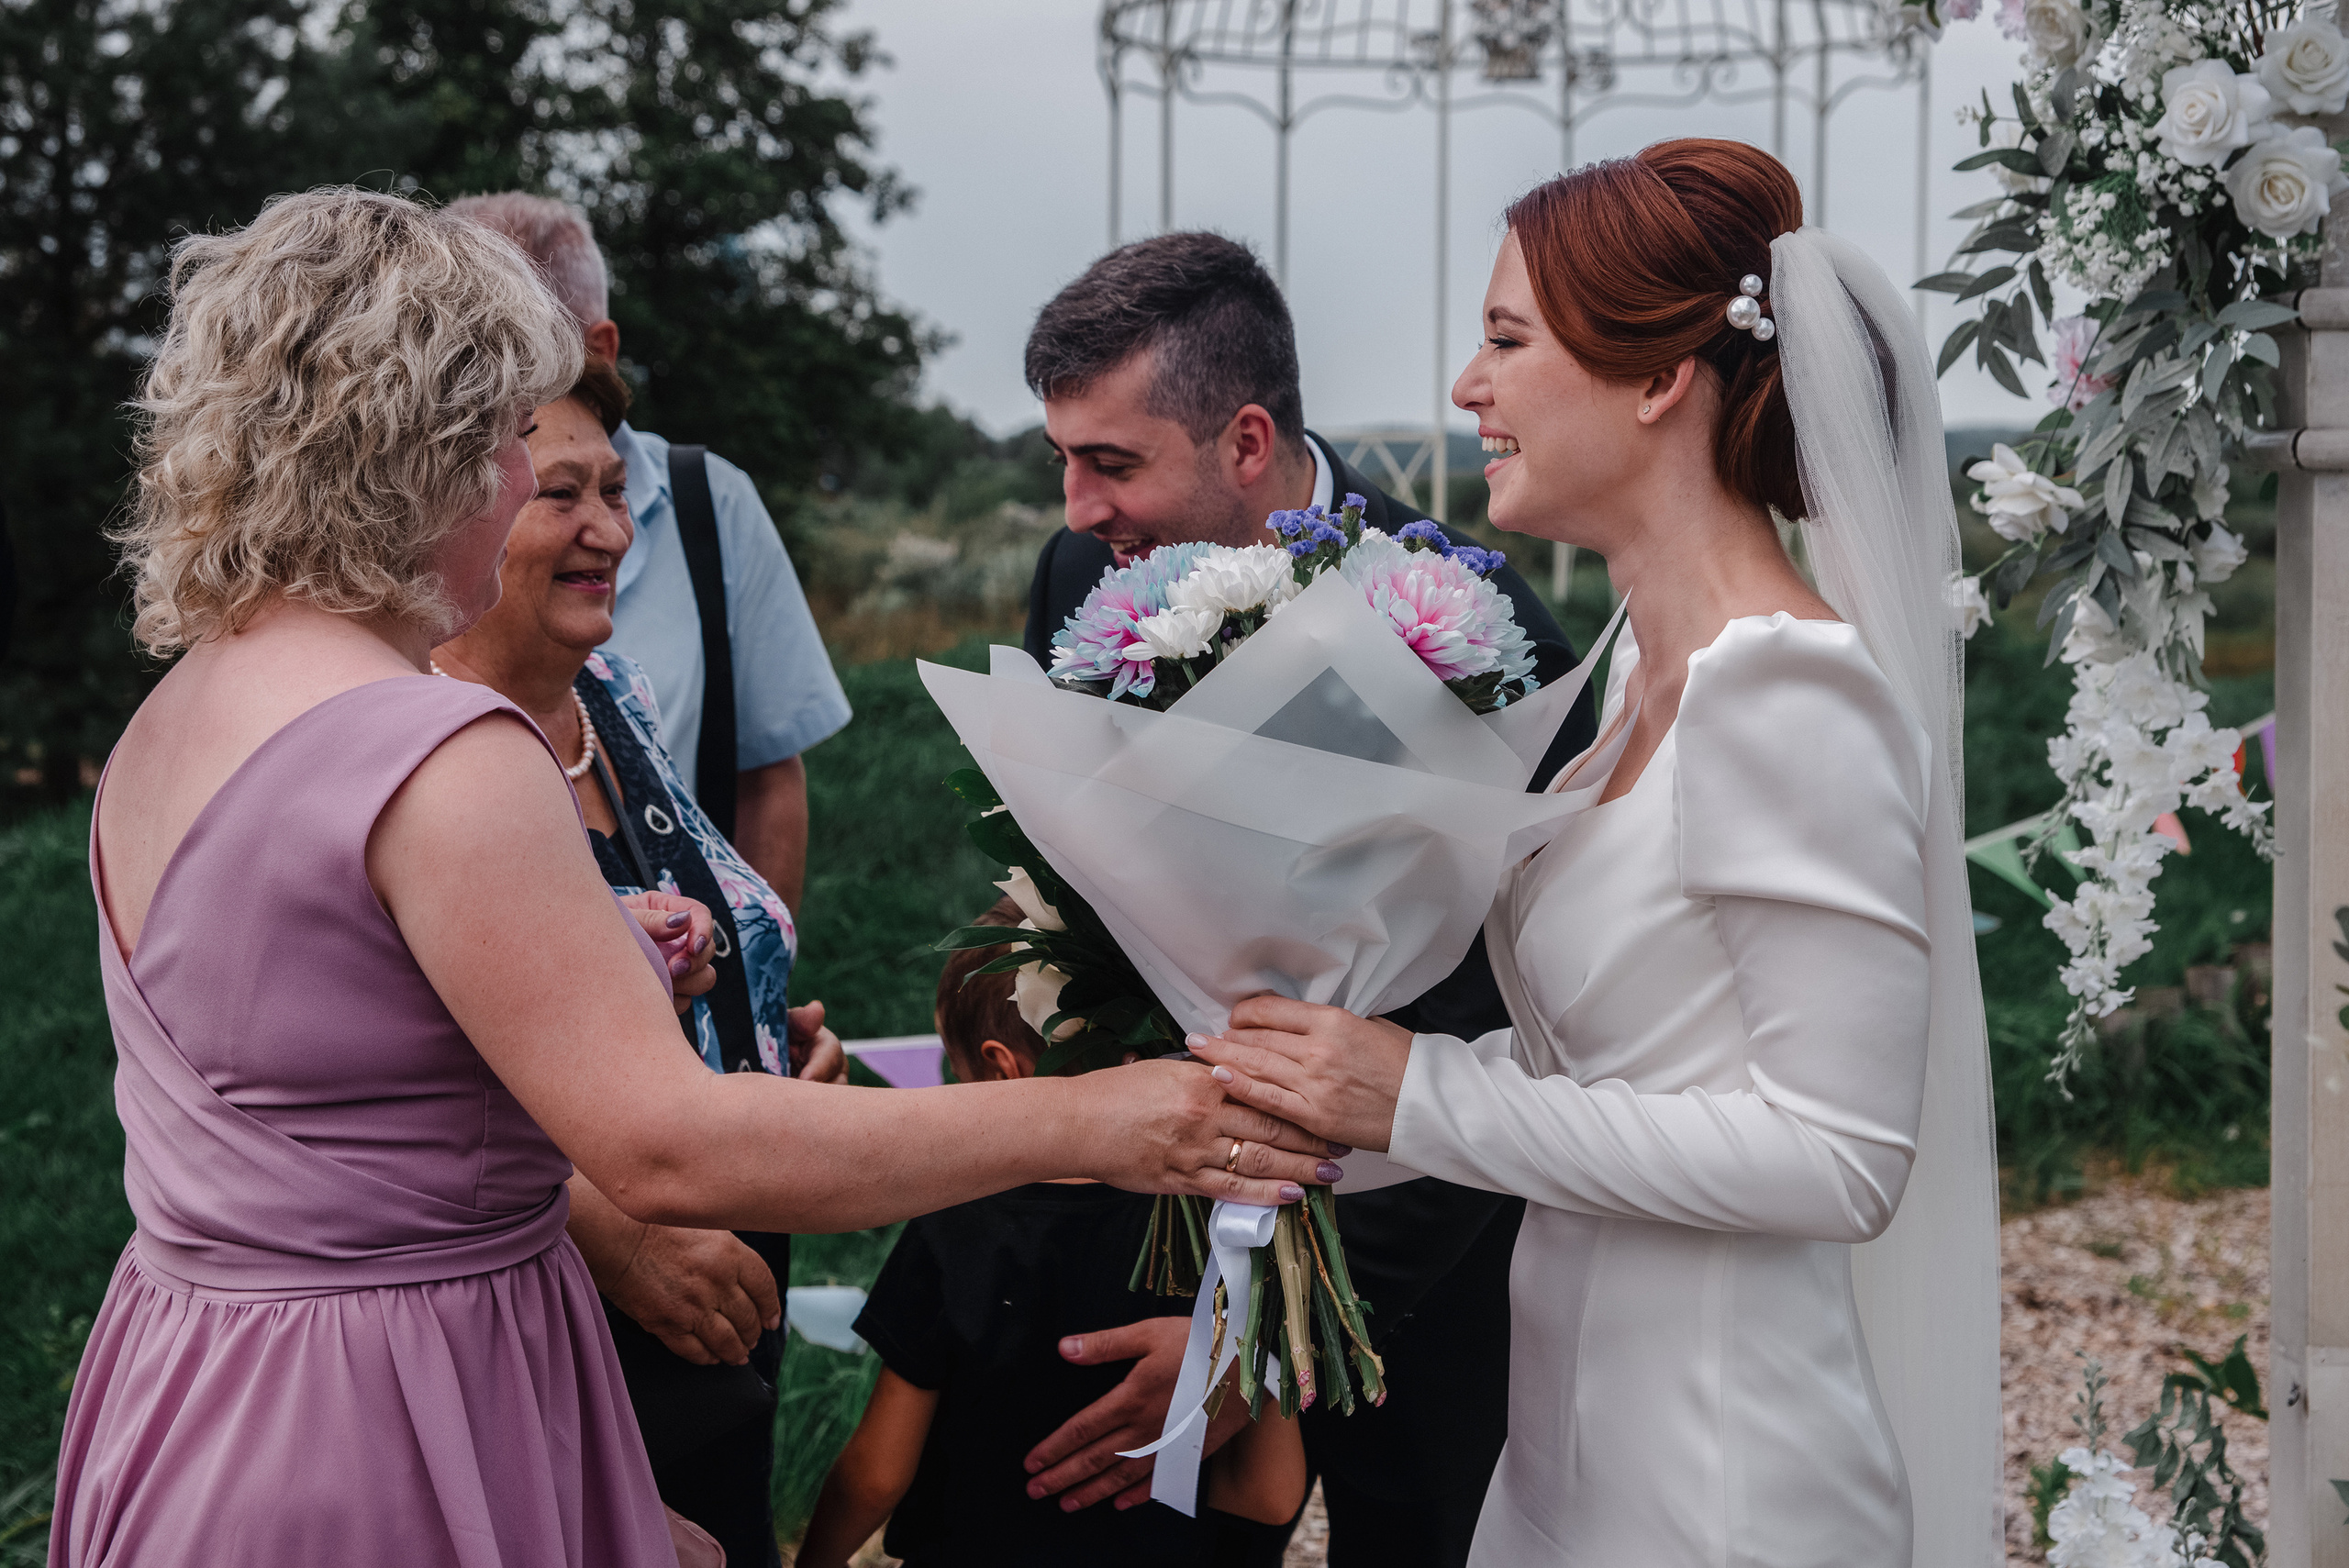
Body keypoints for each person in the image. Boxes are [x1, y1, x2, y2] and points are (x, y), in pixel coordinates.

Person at [55, 186, 1338, 1568]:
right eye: (507, 439)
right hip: (386, 1412)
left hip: (196, 1386)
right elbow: (671, 1144)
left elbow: (336, 1072)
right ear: (419, 450)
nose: (519, 479)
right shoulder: (437, 747)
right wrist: (1104, 1121)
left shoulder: (178, 712)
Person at [1187, 140, 2004, 1565]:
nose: (1466, 388)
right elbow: (1620, 1069)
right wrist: (1320, 1107)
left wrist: (1424, 1095)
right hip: (1569, 1458)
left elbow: (1838, 1158)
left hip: (1725, 1480)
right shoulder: (1637, 682)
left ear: (1655, 378)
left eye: (1506, 339)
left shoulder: (1790, 696)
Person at [1016, 229, 1598, 1567]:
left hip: (1417, 1251)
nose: (1076, 510)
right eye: (1062, 458)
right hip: (1164, 1201)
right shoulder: (1075, 581)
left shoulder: (1473, 619)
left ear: (1246, 439)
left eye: (1112, 463)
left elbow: (1522, 1007)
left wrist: (1266, 1335)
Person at [429, 352, 841, 1568]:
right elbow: (377, 1094)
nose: (609, 530)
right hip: (566, 1310)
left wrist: (763, 1047)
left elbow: (689, 918)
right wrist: (611, 1235)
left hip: (720, 1269)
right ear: (450, 507)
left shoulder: (607, 690)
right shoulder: (417, 744)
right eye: (562, 494)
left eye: (616, 489)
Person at [796, 898, 1310, 1568]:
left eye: (956, 1075)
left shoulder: (953, 1223)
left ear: (1002, 1068)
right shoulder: (1213, 1229)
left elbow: (876, 1474)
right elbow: (1269, 1497)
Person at [448, 192, 843, 915]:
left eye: (517, 347)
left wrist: (754, 989)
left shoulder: (707, 507)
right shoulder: (411, 580)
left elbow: (767, 770)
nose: (608, 533)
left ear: (599, 350)